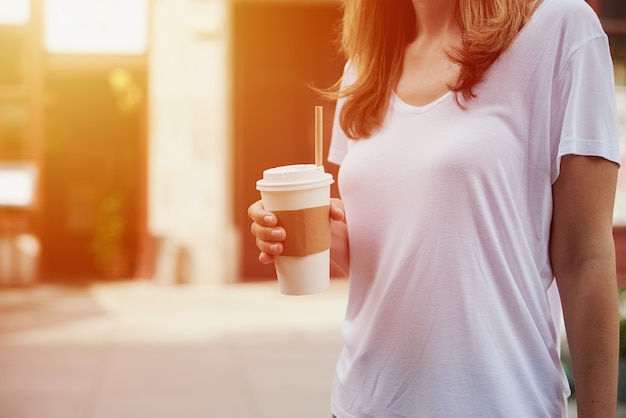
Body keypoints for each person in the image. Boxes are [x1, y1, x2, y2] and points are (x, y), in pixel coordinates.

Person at [248, 0, 621, 416]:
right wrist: (322, 239)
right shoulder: (365, 65)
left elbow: (584, 257)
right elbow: (397, 252)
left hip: (497, 403)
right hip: (362, 403)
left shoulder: (560, 29)